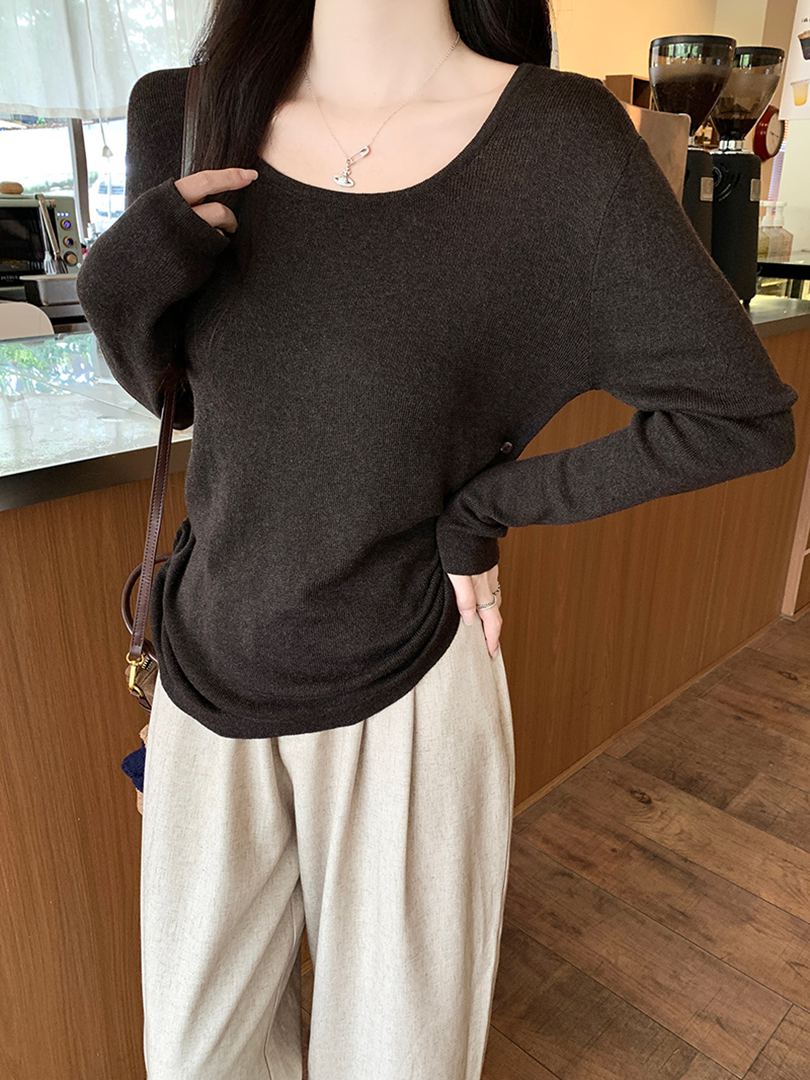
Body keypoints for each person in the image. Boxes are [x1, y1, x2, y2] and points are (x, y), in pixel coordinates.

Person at [75, 1, 799, 1077]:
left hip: (410, 678)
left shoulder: (556, 146)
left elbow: (737, 416)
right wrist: (115, 282)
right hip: (207, 665)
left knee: (398, 1061)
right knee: (195, 1061)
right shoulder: (185, 111)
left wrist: (484, 508)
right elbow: (184, 396)